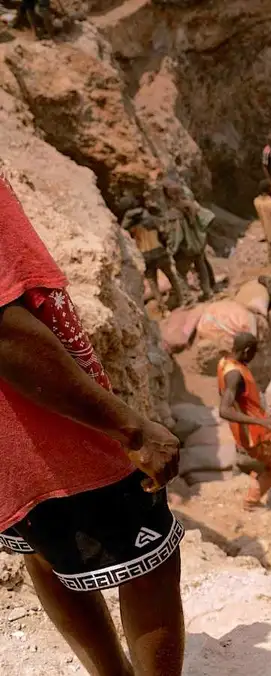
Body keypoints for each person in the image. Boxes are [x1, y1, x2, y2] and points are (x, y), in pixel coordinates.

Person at [0, 179, 185, 675]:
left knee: (43, 553)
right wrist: (131, 430)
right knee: (151, 559)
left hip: (12, 444)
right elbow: (6, 332)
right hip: (44, 429)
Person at [218, 333, 271, 511]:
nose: (254, 357)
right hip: (254, 433)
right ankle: (251, 501)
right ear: (247, 351)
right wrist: (258, 421)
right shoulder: (234, 375)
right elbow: (224, 410)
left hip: (251, 429)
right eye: (253, 353)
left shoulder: (225, 362)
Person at [123, 199, 185, 311]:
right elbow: (164, 233)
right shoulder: (152, 221)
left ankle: (162, 307)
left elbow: (122, 230)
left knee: (152, 282)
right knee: (171, 276)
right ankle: (181, 299)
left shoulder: (132, 228)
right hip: (159, 252)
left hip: (145, 256)